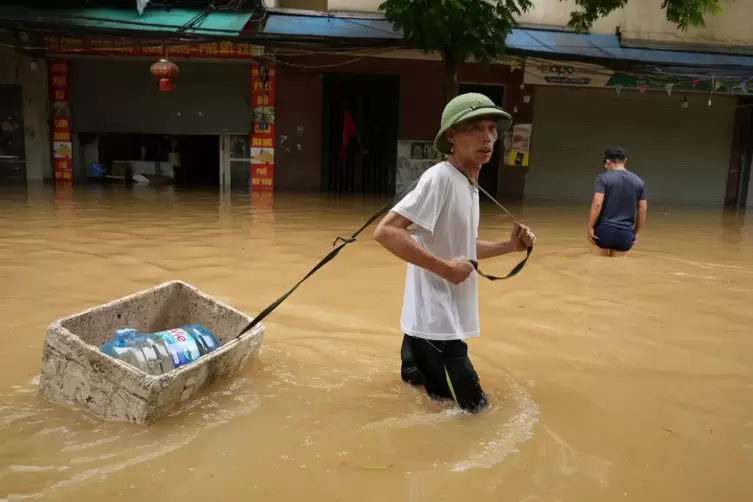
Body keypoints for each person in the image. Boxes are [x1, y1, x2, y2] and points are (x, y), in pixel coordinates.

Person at [373, 93, 536, 413]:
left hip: (430, 322)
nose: (487, 137)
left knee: (432, 400)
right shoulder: (441, 179)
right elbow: (386, 232)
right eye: (475, 128)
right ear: (452, 136)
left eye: (491, 128)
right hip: (437, 327)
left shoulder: (468, 183)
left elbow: (460, 246)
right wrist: (445, 269)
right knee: (475, 412)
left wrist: (510, 246)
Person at [587, 146, 648, 257]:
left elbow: (597, 203)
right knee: (618, 269)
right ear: (625, 161)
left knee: (599, 268)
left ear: (607, 162)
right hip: (625, 232)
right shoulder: (639, 182)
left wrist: (590, 227)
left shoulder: (603, 178)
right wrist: (635, 233)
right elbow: (643, 210)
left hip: (604, 230)